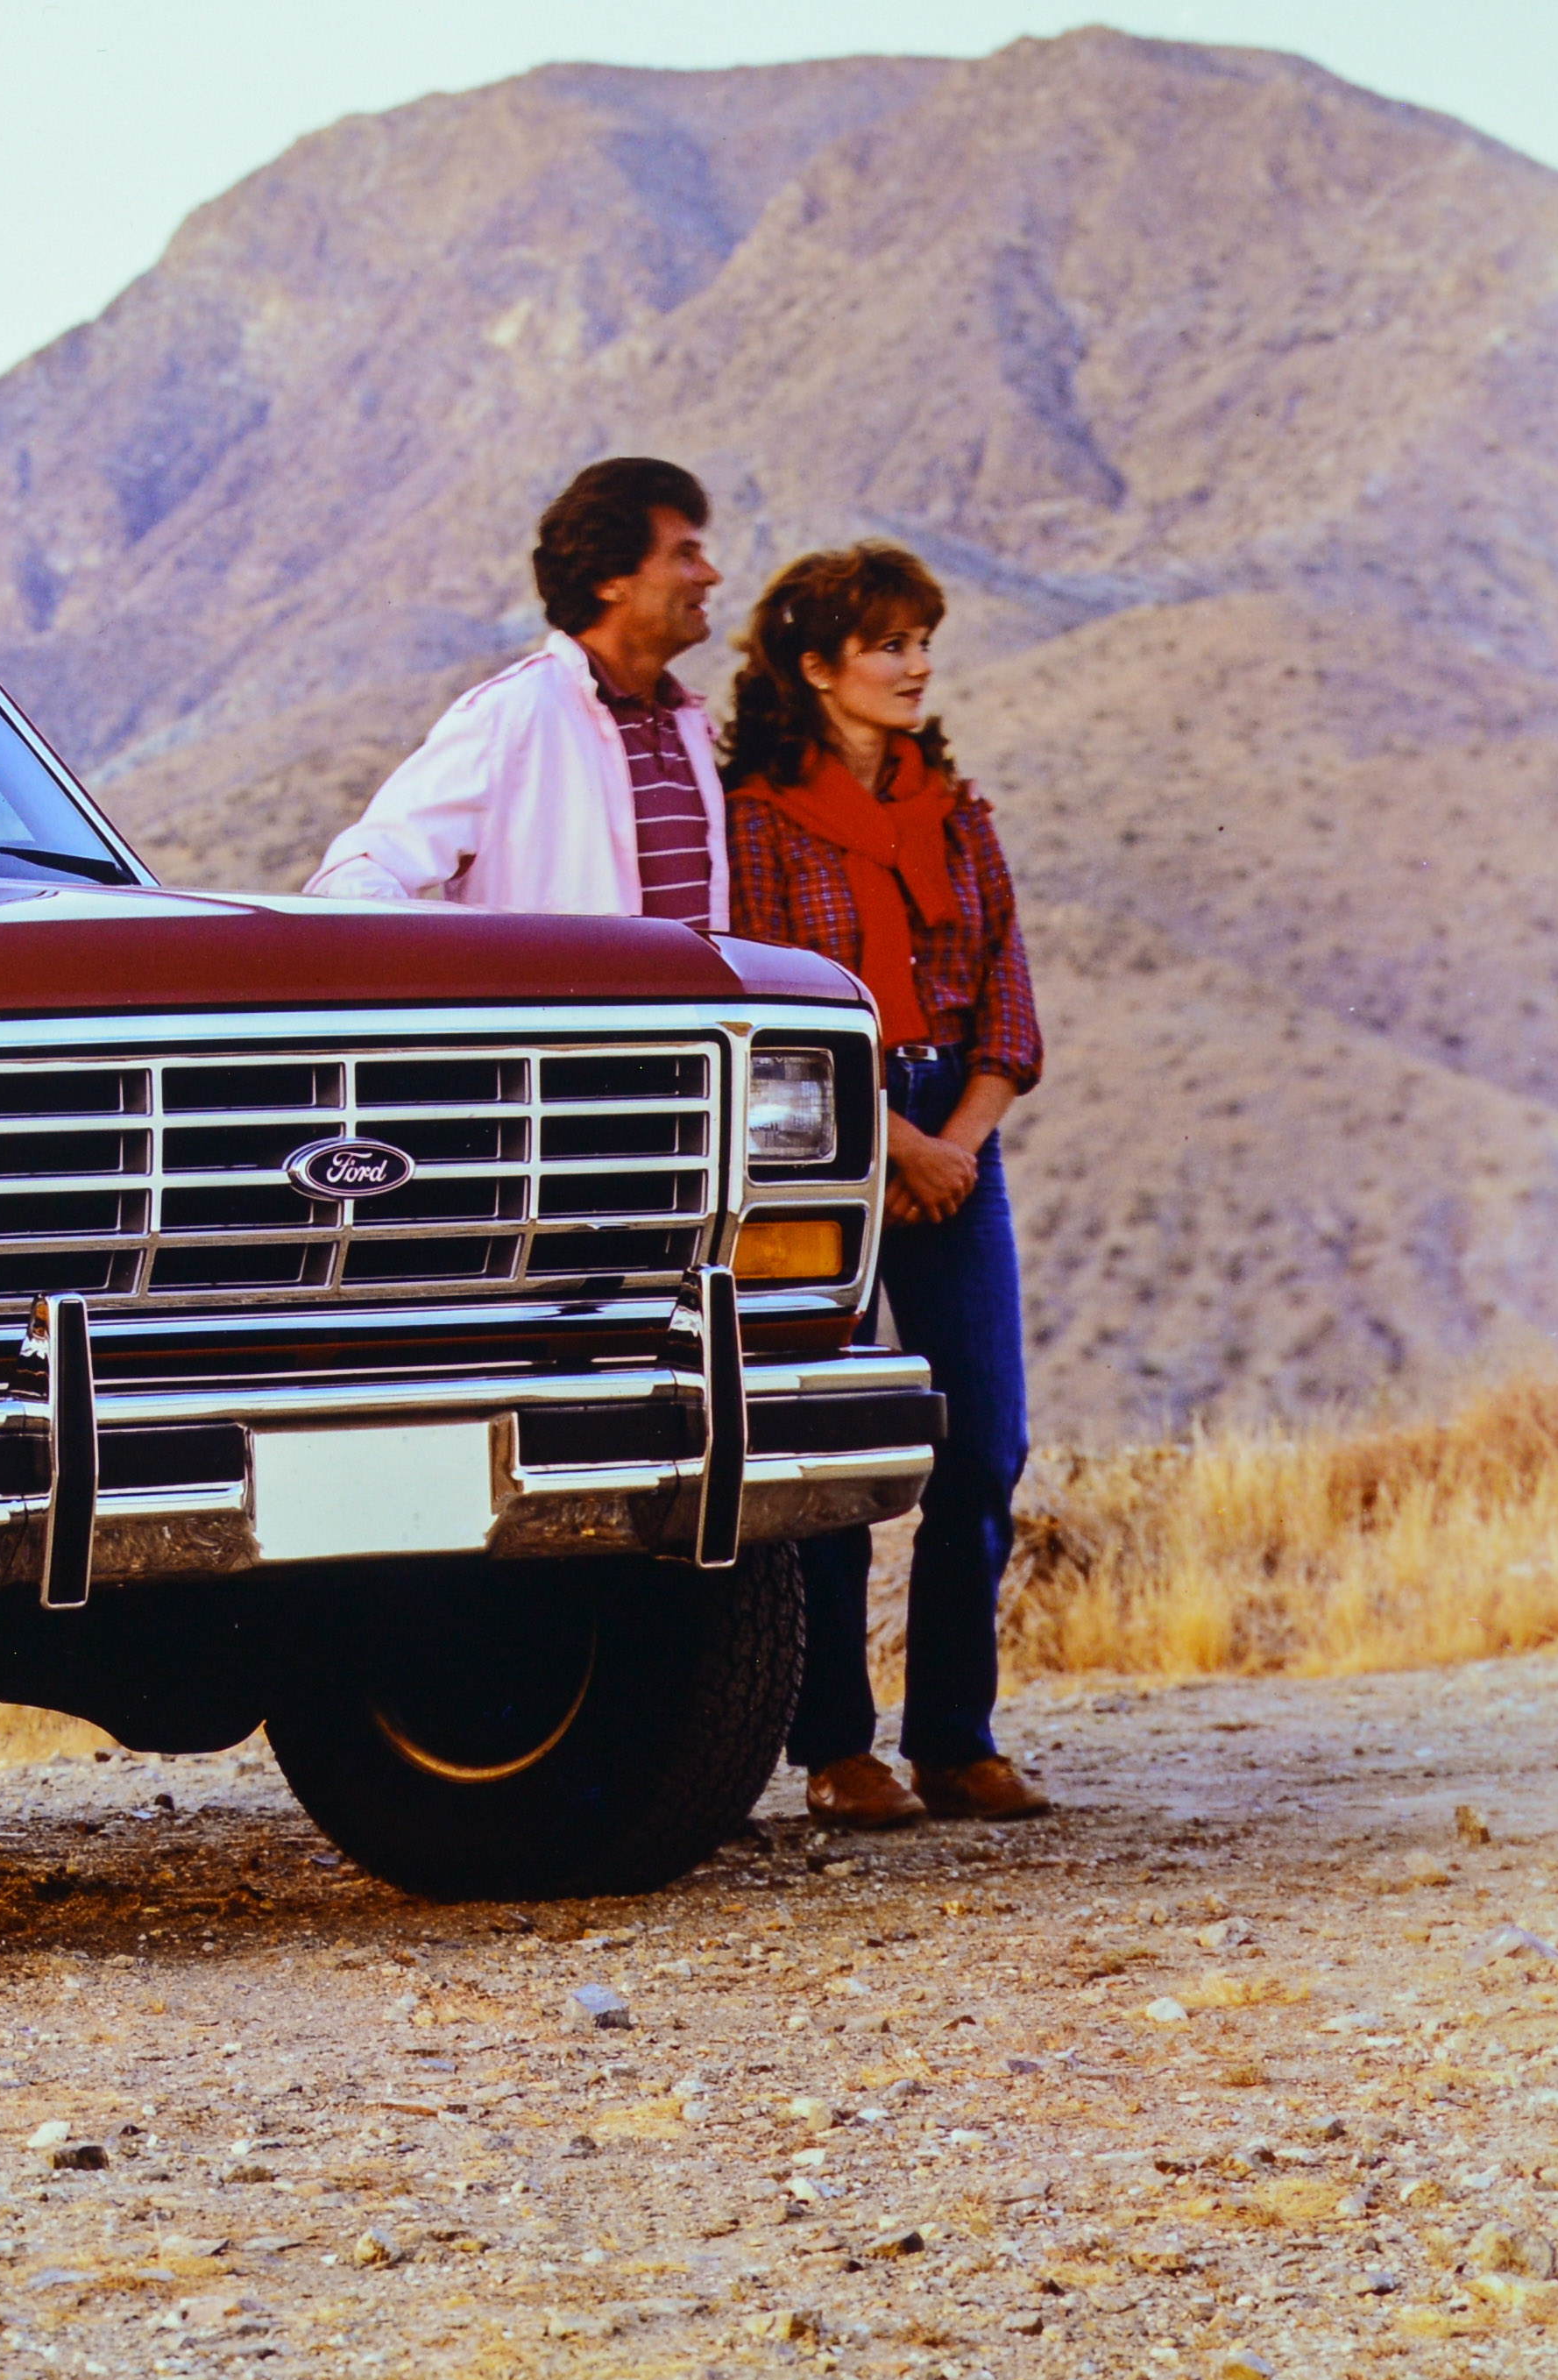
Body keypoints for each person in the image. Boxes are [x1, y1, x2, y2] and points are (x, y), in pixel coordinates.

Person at [719, 542, 1052, 1827]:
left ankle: (958, 1736)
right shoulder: (752, 816)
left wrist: (955, 1138)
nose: (916, 665)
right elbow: (753, 997)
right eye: (886, 644)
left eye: (924, 639)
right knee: (834, 1438)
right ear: (814, 666)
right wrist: (891, 1143)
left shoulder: (955, 811)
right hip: (822, 1144)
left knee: (984, 1434)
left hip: (954, 1137)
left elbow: (1007, 1001)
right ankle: (835, 1746)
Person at [308, 457, 731, 924]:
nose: (710, 575)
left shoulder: (685, 723)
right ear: (610, 580)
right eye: (685, 555)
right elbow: (358, 875)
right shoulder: (512, 715)